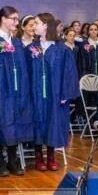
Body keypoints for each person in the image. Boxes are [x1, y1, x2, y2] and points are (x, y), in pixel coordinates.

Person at [0, 6, 33, 176]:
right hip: (0, 91)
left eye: (17, 19)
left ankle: (12, 160)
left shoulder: (16, 42)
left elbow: (23, 69)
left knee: (15, 124)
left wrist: (24, 91)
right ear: (3, 18)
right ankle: (0, 161)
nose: (16, 22)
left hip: (16, 92)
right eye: (13, 19)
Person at [26, 12, 80, 171]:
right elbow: (26, 73)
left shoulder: (62, 49)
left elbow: (69, 73)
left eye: (36, 23)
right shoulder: (31, 49)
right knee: (37, 121)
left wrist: (65, 94)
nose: (34, 26)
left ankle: (51, 156)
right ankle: (38, 156)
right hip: (36, 94)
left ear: (45, 26)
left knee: (53, 123)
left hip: (55, 94)